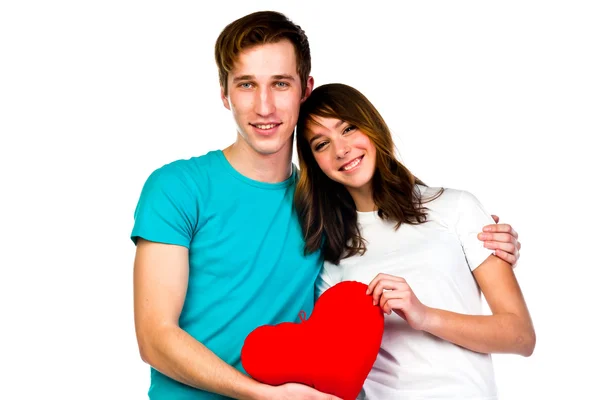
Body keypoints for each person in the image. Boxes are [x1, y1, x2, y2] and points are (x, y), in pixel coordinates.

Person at [131, 11, 522, 400]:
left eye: (280, 84)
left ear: (305, 89)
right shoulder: (177, 188)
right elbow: (154, 337)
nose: (264, 106)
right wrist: (263, 395)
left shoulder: (323, 211)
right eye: (247, 84)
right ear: (224, 92)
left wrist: (477, 237)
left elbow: (392, 239)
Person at [294, 83, 535, 399]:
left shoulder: (455, 207)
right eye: (321, 144)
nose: (341, 150)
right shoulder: (331, 257)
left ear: (372, 126)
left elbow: (520, 336)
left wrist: (423, 315)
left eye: (349, 128)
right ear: (314, 163)